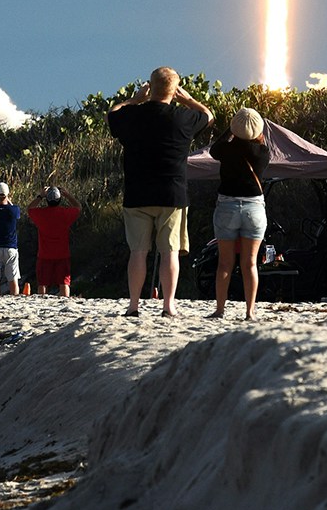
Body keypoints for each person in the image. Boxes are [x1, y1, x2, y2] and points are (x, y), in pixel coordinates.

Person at [107, 67, 213, 318]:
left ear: (150, 87)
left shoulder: (132, 115)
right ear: (174, 91)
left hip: (137, 193)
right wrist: (188, 99)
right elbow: (208, 116)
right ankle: (168, 305)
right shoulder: (182, 117)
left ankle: (133, 305)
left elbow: (112, 114)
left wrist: (134, 100)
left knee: (138, 252)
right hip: (171, 193)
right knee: (169, 251)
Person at [209, 107, 274, 320]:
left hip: (227, 206)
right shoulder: (263, 153)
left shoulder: (226, 150)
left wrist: (230, 130)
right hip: (254, 208)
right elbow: (261, 144)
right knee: (250, 263)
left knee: (225, 263)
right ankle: (250, 312)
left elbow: (214, 149)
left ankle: (220, 309)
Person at [26, 186, 80, 296]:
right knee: (64, 283)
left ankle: (42, 303)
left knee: (43, 284)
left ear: (47, 200)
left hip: (44, 255)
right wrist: (67, 195)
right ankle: (65, 302)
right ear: (59, 200)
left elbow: (30, 208)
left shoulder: (41, 214)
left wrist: (40, 196)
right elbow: (78, 207)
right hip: (62, 254)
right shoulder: (65, 213)